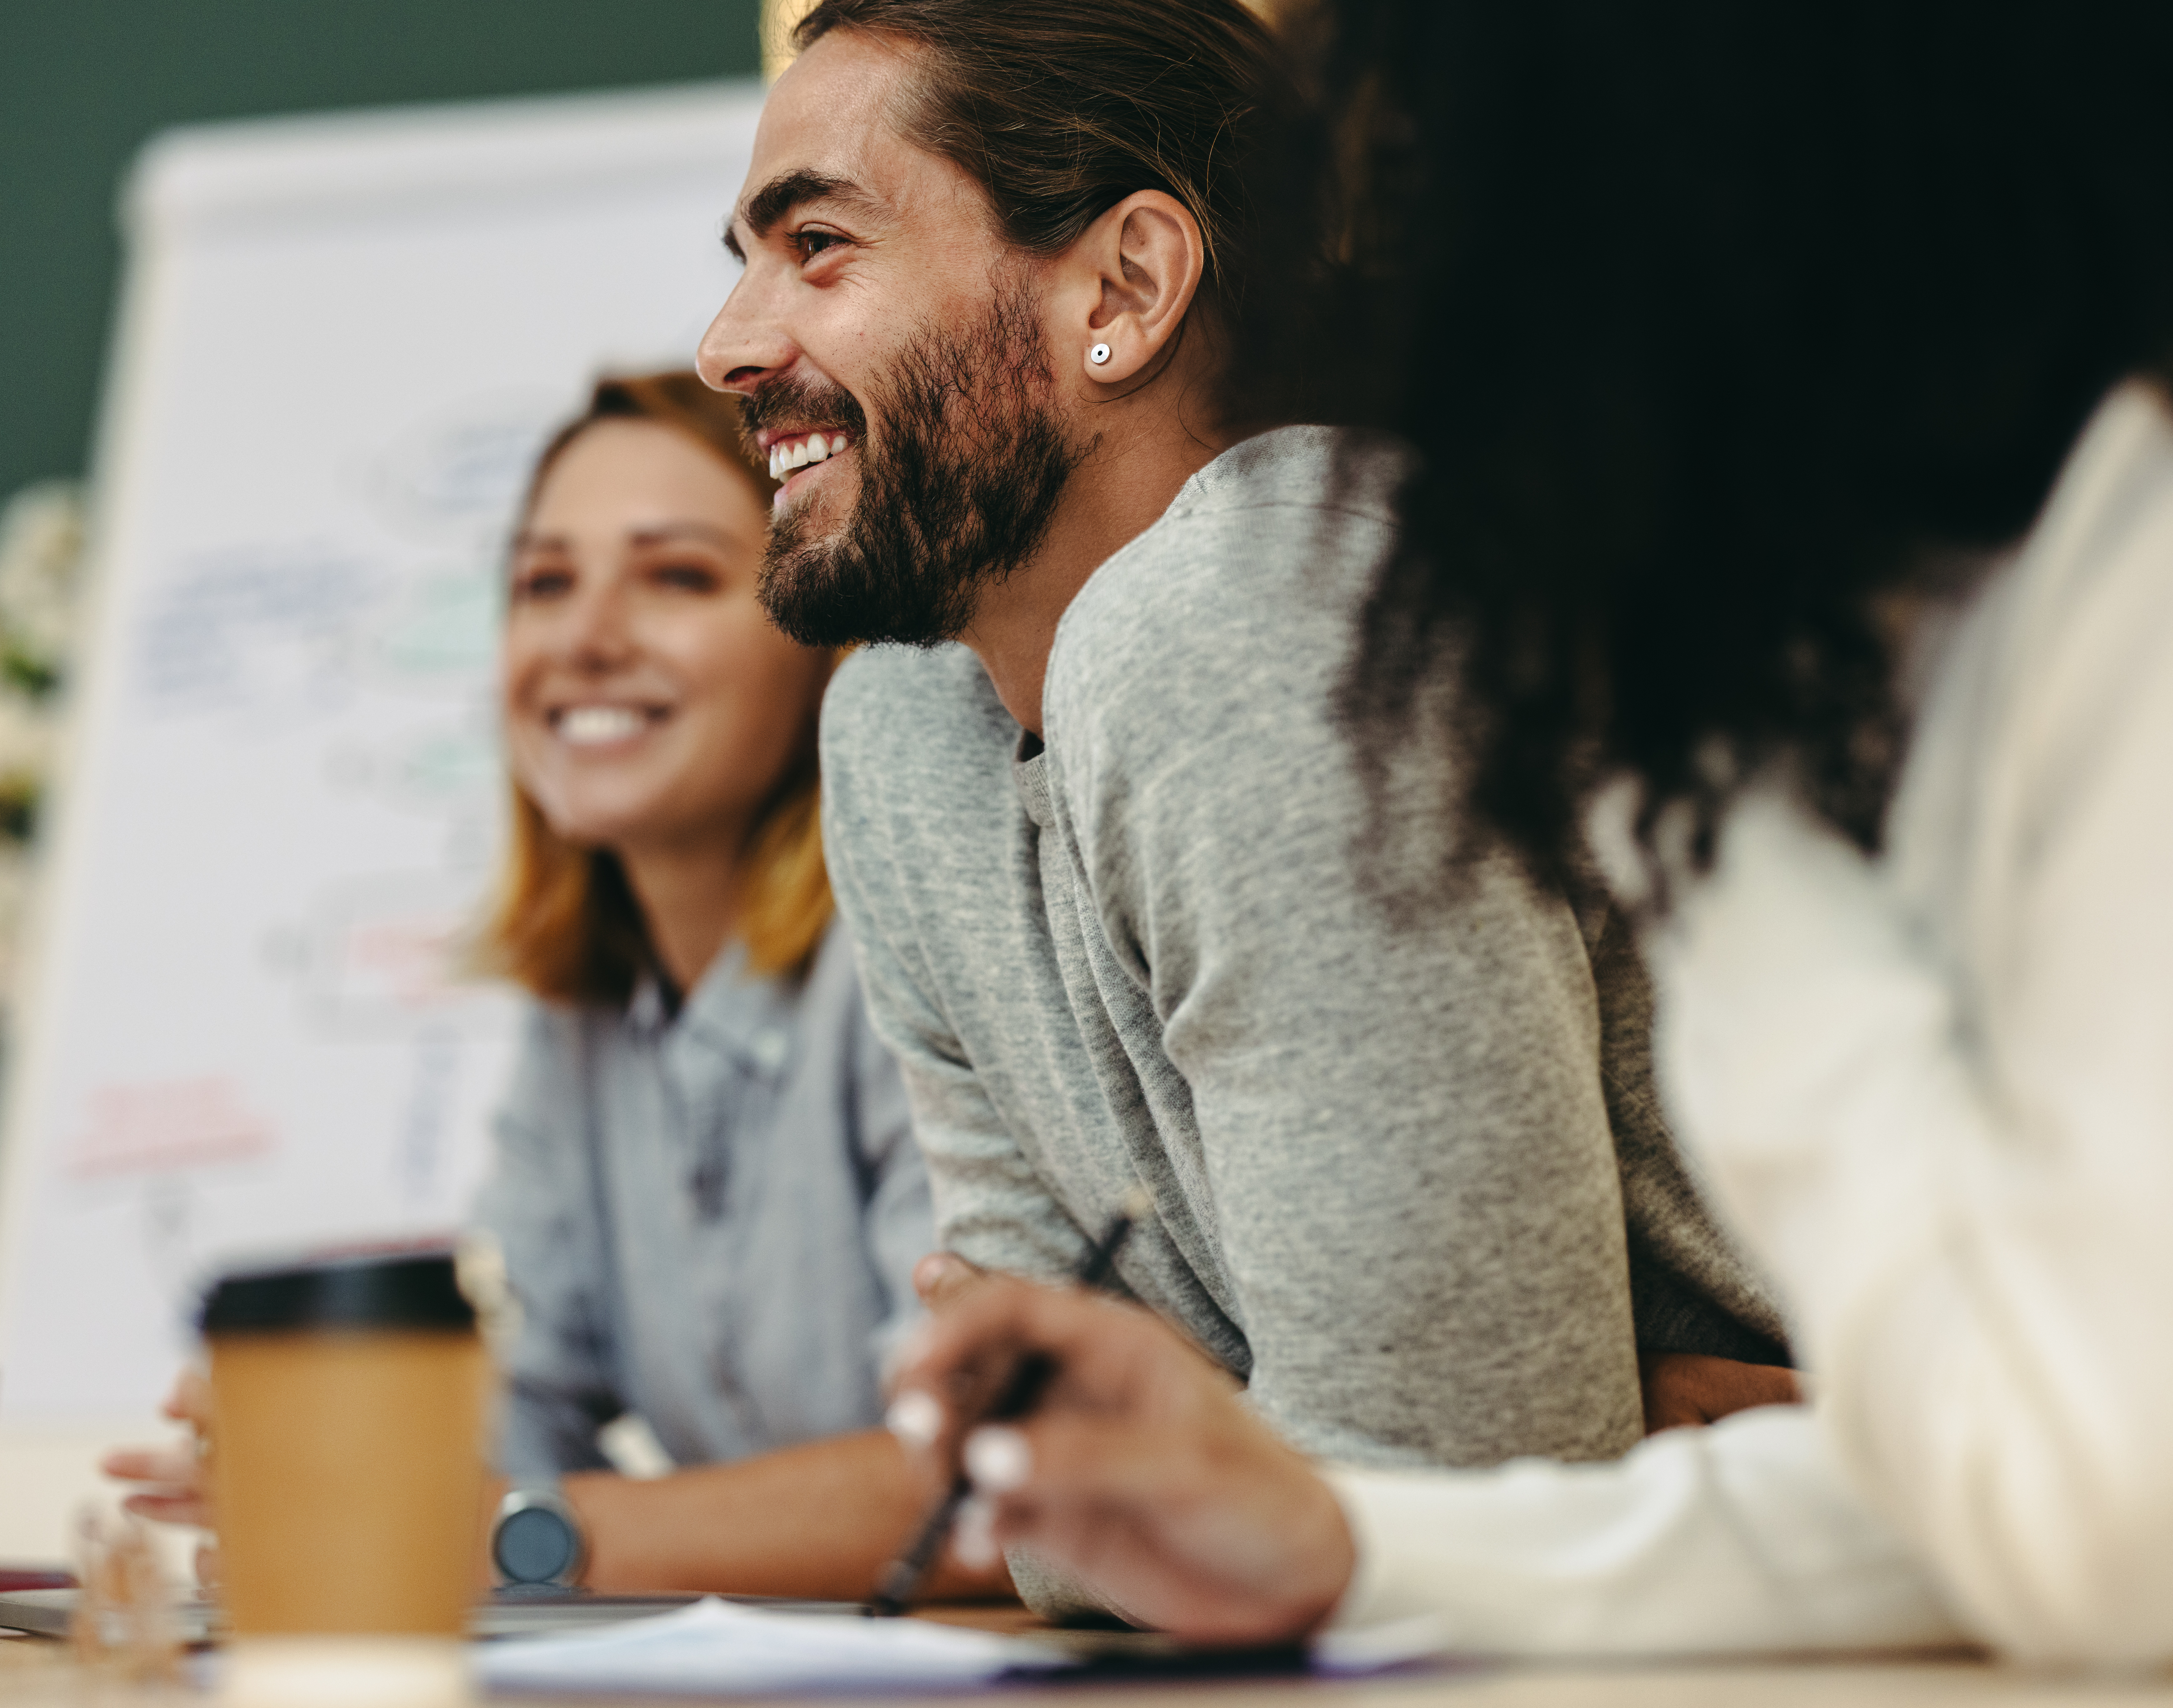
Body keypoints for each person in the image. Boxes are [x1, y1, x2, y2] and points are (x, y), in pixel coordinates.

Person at [886, 0, 2173, 1667]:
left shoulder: (2113, 561)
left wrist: (1725, 827)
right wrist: (1346, 1538)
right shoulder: (1933, 606)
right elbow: (2015, 1477)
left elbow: (2101, 1521)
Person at [697, 0, 1786, 1618]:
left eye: (820, 245)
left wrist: (1250, 1466)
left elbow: (1452, 1501)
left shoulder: (1270, 601)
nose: (727, 342)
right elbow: (1047, 1497)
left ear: (1122, 289)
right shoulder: (903, 733)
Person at [107, 373, 1011, 1603]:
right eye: (543, 583)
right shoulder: (589, 1017)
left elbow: (993, 1478)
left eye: (677, 576)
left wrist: (513, 1532)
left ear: (824, 639)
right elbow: (515, 1412)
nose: (583, 638)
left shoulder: (918, 956)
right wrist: (347, 1459)